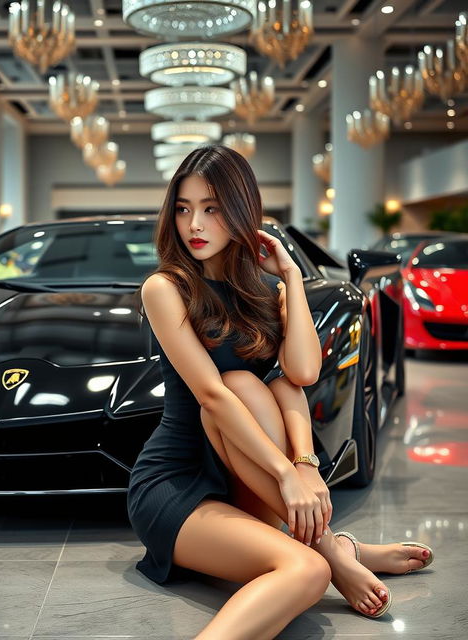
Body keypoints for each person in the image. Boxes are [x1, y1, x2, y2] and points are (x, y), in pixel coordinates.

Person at [126, 145, 433, 640]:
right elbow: (212, 397)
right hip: (178, 485)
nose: (195, 225)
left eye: (212, 208)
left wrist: (290, 275)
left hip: (244, 478)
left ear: (242, 211)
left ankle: (335, 548)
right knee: (235, 385)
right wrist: (288, 476)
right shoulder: (165, 288)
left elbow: (301, 374)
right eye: (183, 209)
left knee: (260, 381)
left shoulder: (267, 290)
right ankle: (333, 551)